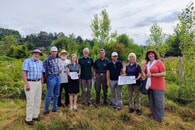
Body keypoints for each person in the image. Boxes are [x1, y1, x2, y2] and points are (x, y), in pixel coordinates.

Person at [22, 49, 44, 125]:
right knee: (30, 101)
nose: (37, 55)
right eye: (35, 54)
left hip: (38, 83)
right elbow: (24, 73)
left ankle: (35, 116)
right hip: (30, 82)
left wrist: (42, 82)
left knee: (38, 100)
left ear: (40, 56)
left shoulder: (41, 63)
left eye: (38, 54)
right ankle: (28, 118)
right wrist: (27, 84)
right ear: (32, 54)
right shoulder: (27, 61)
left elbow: (41, 73)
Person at [143, 50, 166, 123]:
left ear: (154, 55)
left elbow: (163, 73)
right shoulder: (147, 63)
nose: (150, 55)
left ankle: (160, 118)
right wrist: (144, 74)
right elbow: (144, 71)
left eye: (152, 54)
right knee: (152, 102)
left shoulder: (158, 62)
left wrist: (152, 75)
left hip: (158, 85)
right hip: (149, 85)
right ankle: (154, 115)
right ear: (147, 56)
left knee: (159, 102)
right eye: (149, 54)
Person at [43, 46, 61, 115]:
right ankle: (46, 109)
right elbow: (44, 71)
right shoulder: (46, 60)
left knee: (56, 94)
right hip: (51, 77)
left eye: (55, 52)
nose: (54, 53)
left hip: (57, 77)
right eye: (53, 51)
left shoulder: (57, 60)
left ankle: (54, 108)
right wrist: (45, 80)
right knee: (49, 94)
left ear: (57, 52)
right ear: (50, 52)